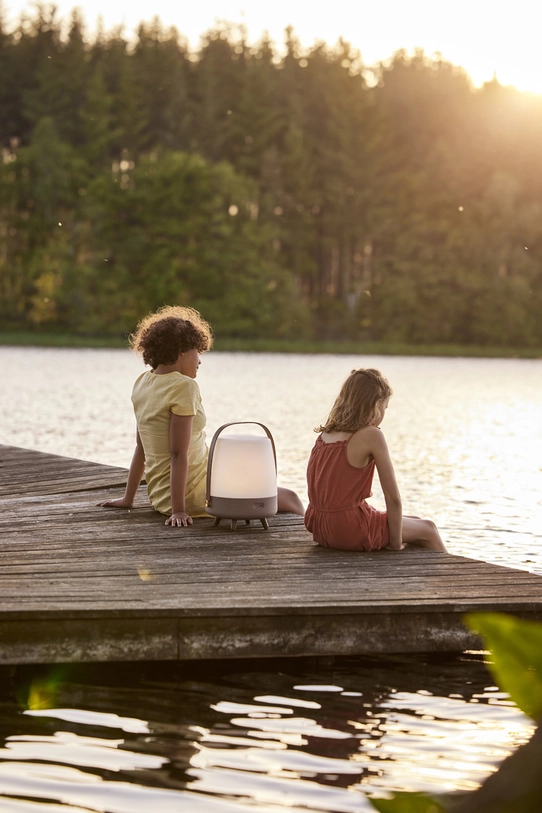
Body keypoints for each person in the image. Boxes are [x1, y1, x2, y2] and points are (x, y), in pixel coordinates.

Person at [98, 305, 304, 526]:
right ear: (182, 351)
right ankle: (310, 528)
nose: (200, 360)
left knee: (244, 476)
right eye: (198, 351)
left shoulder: (143, 382)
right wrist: (179, 511)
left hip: (160, 497)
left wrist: (128, 499)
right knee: (289, 497)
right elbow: (178, 454)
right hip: (195, 495)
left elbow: (141, 447)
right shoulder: (184, 386)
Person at [304, 368, 447, 552]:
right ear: (376, 404)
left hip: (318, 525)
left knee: (416, 522)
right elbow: (393, 498)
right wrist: (395, 544)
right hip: (348, 528)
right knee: (429, 528)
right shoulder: (371, 435)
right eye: (385, 407)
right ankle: (452, 578)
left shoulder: (327, 433)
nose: (384, 414)